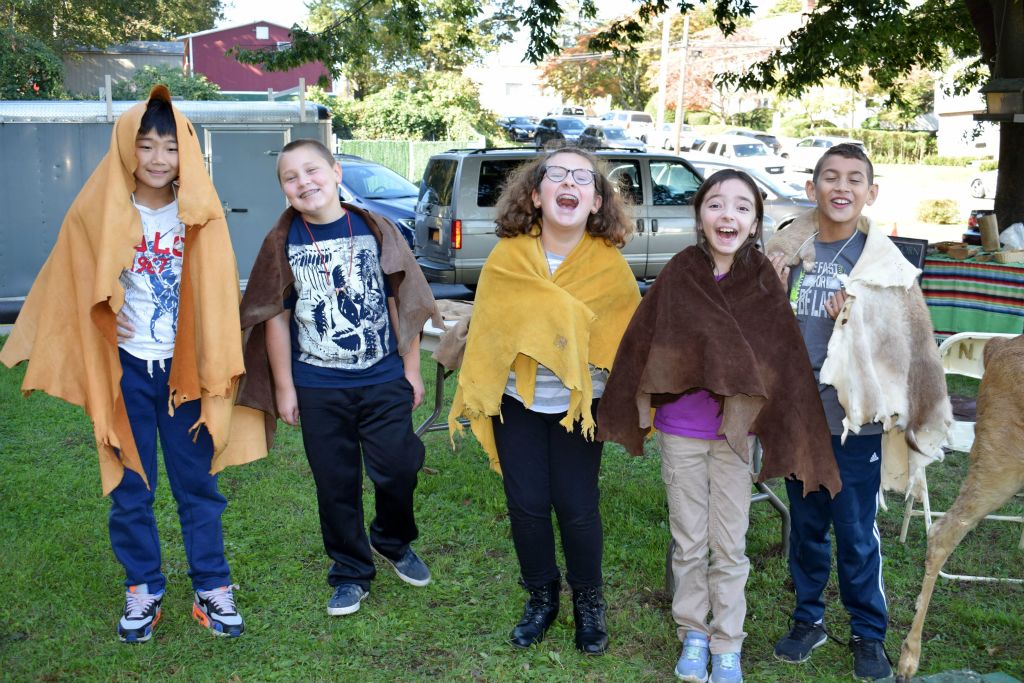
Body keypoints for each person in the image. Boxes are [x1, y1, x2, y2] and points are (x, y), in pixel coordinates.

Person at [0, 86, 266, 643]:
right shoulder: (100, 209)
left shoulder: (200, 211)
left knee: (198, 485)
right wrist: (101, 308)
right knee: (130, 485)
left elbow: (216, 292)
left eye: (170, 148)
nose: (158, 159)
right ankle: (143, 586)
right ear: (126, 146)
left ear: (185, 153)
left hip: (185, 373)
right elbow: (69, 277)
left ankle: (211, 586)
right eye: (146, 145)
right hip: (127, 371)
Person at [597, 169, 839, 682]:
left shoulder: (763, 281)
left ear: (754, 222)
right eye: (716, 205)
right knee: (688, 541)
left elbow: (781, 354)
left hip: (736, 433)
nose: (727, 215)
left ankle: (728, 642)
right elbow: (645, 340)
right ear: (700, 214)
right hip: (682, 428)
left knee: (730, 544)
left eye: (741, 207)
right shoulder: (681, 271)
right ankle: (693, 634)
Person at [766, 143, 950, 681]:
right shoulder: (787, 251)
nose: (840, 187)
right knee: (806, 527)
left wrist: (858, 316)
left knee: (854, 530)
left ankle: (868, 632)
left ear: (871, 192)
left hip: (855, 423)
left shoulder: (884, 266)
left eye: (854, 179)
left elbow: (906, 344)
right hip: (800, 417)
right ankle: (809, 619)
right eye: (829, 177)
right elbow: (763, 328)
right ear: (811, 188)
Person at [447, 146, 641, 655]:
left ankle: (588, 602)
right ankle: (541, 596)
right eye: (557, 175)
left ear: (596, 202)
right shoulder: (507, 259)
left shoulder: (610, 267)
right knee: (527, 505)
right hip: (517, 403)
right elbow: (489, 334)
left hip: (581, 407)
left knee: (577, 508)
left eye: (583, 178)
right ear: (535, 195)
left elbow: (626, 340)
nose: (569, 183)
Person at [237, 139, 441, 617]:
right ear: (284, 189)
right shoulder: (280, 243)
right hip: (318, 385)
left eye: (312, 170)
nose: (304, 182)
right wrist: (286, 388)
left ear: (335, 171)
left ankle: (392, 540)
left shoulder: (375, 229)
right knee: (335, 482)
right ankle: (350, 570)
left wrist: (411, 370)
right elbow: (275, 317)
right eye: (291, 177)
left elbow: (402, 303)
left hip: (382, 376)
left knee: (400, 466)